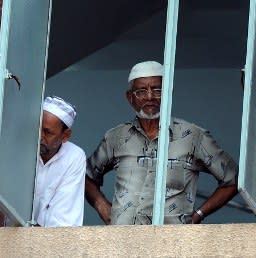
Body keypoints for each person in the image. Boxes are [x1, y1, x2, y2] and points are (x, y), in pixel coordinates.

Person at [84, 61, 238, 225]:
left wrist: (198, 215)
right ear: (130, 98)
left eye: (157, 90)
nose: (150, 96)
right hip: (123, 242)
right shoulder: (116, 137)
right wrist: (102, 206)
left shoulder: (193, 136)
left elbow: (233, 179)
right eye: (141, 91)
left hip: (172, 243)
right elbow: (86, 176)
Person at [34, 96, 86, 227]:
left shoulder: (74, 157)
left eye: (47, 132)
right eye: (38, 127)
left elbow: (63, 219)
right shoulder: (22, 148)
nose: (40, 136)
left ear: (65, 135)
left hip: (47, 240)